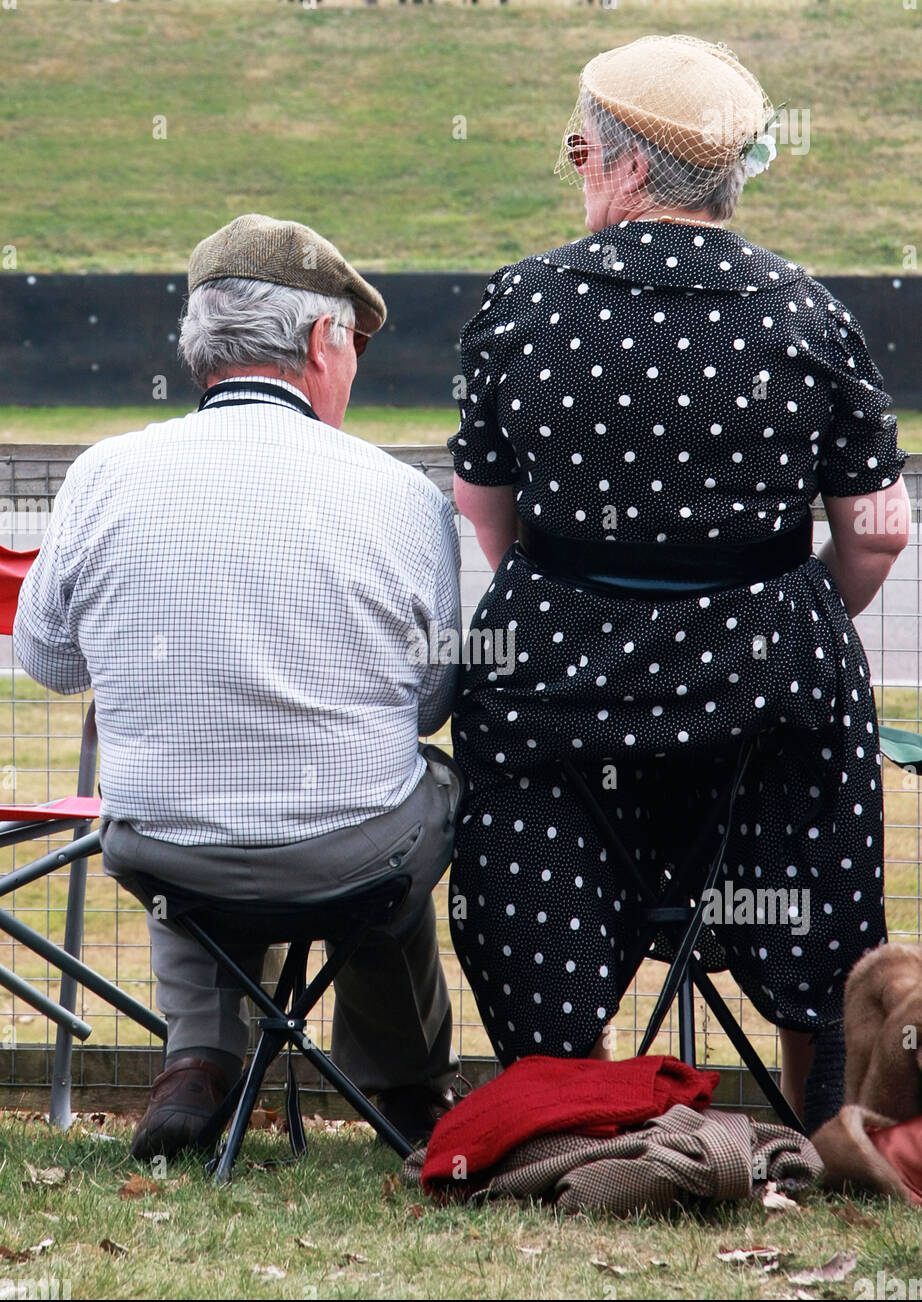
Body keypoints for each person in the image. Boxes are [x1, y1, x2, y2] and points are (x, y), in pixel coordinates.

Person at [447, 35, 910, 1134]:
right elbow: (880, 533)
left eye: (577, 152)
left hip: (559, 691)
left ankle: (577, 1115)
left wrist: (590, 593)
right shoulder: (804, 310)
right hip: (765, 695)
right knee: (813, 844)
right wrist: (784, 615)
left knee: (528, 816)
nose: (577, 173)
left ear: (630, 168)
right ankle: (822, 1127)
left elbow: (485, 516)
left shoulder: (521, 304)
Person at [14, 214, 464, 1155]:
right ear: (317, 342)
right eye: (354, 345)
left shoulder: (103, 474)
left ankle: (200, 1057)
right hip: (352, 858)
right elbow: (427, 703)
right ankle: (405, 1086)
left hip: (157, 851)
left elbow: (48, 661)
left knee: (189, 800)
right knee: (414, 788)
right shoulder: (400, 493)